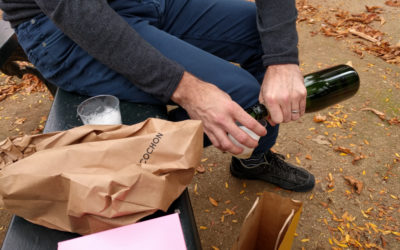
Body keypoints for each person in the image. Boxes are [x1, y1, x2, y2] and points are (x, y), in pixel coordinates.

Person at [0, 0, 314, 191]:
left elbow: (276, 38)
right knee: (244, 100)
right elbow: (77, 11)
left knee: (264, 37)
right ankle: (121, 165)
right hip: (60, 25)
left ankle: (251, 160)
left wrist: (282, 58)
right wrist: (191, 92)